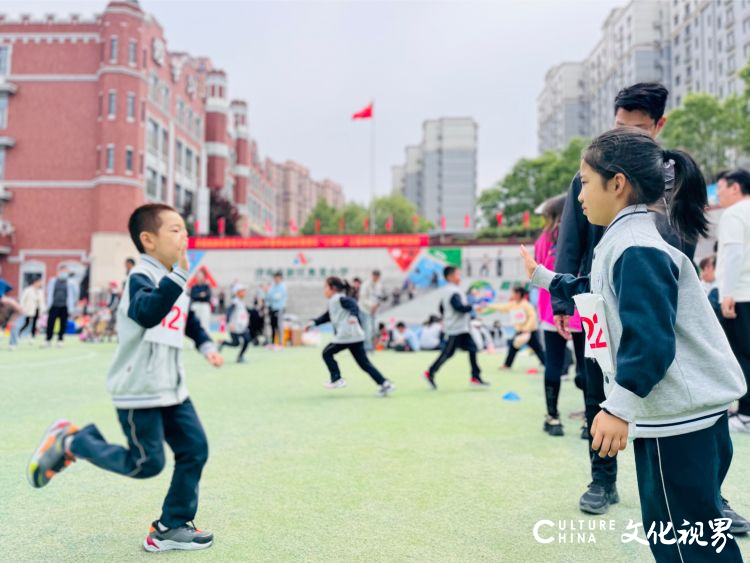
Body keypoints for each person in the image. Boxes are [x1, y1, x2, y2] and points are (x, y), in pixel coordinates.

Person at [522, 128, 746, 561]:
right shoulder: (628, 240)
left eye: (584, 182)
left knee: (683, 543)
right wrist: (544, 278)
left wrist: (616, 407)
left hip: (677, 420)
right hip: (684, 415)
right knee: (693, 536)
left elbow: (651, 343)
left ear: (618, 183)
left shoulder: (636, 246)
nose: (579, 196)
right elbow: (599, 290)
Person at [27, 203, 224, 552]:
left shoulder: (174, 280)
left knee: (195, 449)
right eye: (175, 229)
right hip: (140, 389)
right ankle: (74, 442)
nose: (185, 236)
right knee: (147, 464)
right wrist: (179, 275)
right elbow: (148, 312)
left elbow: (186, 318)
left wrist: (206, 343)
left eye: (185, 229)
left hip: (171, 388)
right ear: (148, 240)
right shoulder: (142, 278)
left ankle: (171, 526)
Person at [554, 82, 700, 516]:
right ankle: (603, 479)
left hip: (655, 299)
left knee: (676, 387)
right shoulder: (596, 172)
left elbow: (687, 235)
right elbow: (571, 237)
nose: (629, 136)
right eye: (620, 126)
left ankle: (704, 493)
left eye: (638, 128)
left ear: (659, 125)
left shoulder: (673, 175)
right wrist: (563, 305)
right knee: (598, 388)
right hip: (600, 302)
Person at [535, 194, 587, 438]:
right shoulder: (584, 233)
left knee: (553, 364)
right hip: (581, 310)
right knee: (587, 367)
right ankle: (590, 420)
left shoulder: (544, 240)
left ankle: (553, 418)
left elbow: (536, 274)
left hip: (550, 311)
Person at [305, 276, 394, 397]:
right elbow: (327, 317)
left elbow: (354, 305)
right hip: (355, 336)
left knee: (327, 353)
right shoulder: (333, 301)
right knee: (364, 364)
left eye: (325, 287)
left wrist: (353, 316)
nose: (324, 290)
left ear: (333, 288)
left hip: (346, 336)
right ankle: (385, 383)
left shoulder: (340, 298)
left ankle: (337, 379)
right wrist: (314, 323)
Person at [716, 168, 750, 433]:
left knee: (742, 355)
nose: (719, 194)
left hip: (740, 294)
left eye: (721, 189)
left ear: (735, 188)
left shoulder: (734, 213)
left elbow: (734, 254)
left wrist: (727, 293)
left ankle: (746, 414)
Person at [423, 266, 489, 389]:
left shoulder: (449, 291)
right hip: (455, 329)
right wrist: (474, 307)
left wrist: (448, 318)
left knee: (472, 349)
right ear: (450, 277)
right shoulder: (453, 291)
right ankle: (430, 372)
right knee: (448, 353)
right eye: (458, 275)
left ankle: (475, 377)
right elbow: (458, 307)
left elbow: (442, 308)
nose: (460, 277)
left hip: (460, 328)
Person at [483, 286, 546, 370]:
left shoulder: (526, 305)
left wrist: (527, 328)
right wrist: (487, 305)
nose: (512, 295)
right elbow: (502, 307)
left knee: (537, 349)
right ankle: (507, 365)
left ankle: (546, 363)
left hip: (530, 331)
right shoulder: (513, 304)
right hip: (520, 331)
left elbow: (533, 317)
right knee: (513, 348)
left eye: (513, 293)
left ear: (518, 294)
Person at [44, 264, 79, 348]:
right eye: (62, 271)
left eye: (66, 272)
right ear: (59, 271)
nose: (64, 273)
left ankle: (60, 340)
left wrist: (73, 304)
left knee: (63, 324)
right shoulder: (52, 281)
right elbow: (48, 292)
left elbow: (75, 294)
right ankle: (48, 340)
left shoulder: (71, 283)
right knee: (50, 323)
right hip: (54, 305)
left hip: (65, 306)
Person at [219, 284, 251, 363]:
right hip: (234, 327)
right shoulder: (235, 302)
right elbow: (228, 313)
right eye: (242, 291)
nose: (244, 293)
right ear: (237, 293)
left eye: (244, 291)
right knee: (236, 343)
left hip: (241, 327)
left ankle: (240, 357)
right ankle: (223, 343)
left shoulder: (242, 302)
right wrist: (229, 324)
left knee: (247, 340)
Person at [359, 270, 386, 351]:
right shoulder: (366, 284)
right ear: (372, 275)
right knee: (367, 329)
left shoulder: (379, 285)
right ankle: (366, 347)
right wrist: (371, 305)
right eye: (375, 276)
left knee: (374, 329)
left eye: (377, 276)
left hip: (375, 311)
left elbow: (380, 297)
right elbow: (362, 298)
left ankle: (371, 346)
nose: (376, 278)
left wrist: (377, 306)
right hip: (365, 310)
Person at [15, 277, 45, 343]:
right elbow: (23, 299)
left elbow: (42, 301)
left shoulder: (40, 291)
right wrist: (22, 308)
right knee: (27, 322)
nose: (40, 284)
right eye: (39, 282)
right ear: (35, 282)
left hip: (37, 309)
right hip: (29, 309)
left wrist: (43, 309)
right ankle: (19, 333)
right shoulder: (28, 290)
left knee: (35, 323)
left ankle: (32, 336)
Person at [266, 271, 287, 348]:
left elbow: (276, 297)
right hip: (272, 308)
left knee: (279, 325)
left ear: (280, 278)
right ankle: (273, 342)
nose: (275, 279)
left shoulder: (282, 287)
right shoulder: (273, 286)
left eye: (277, 278)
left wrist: (270, 296)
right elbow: (268, 296)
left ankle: (280, 343)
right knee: (272, 325)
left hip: (280, 308)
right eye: (274, 278)